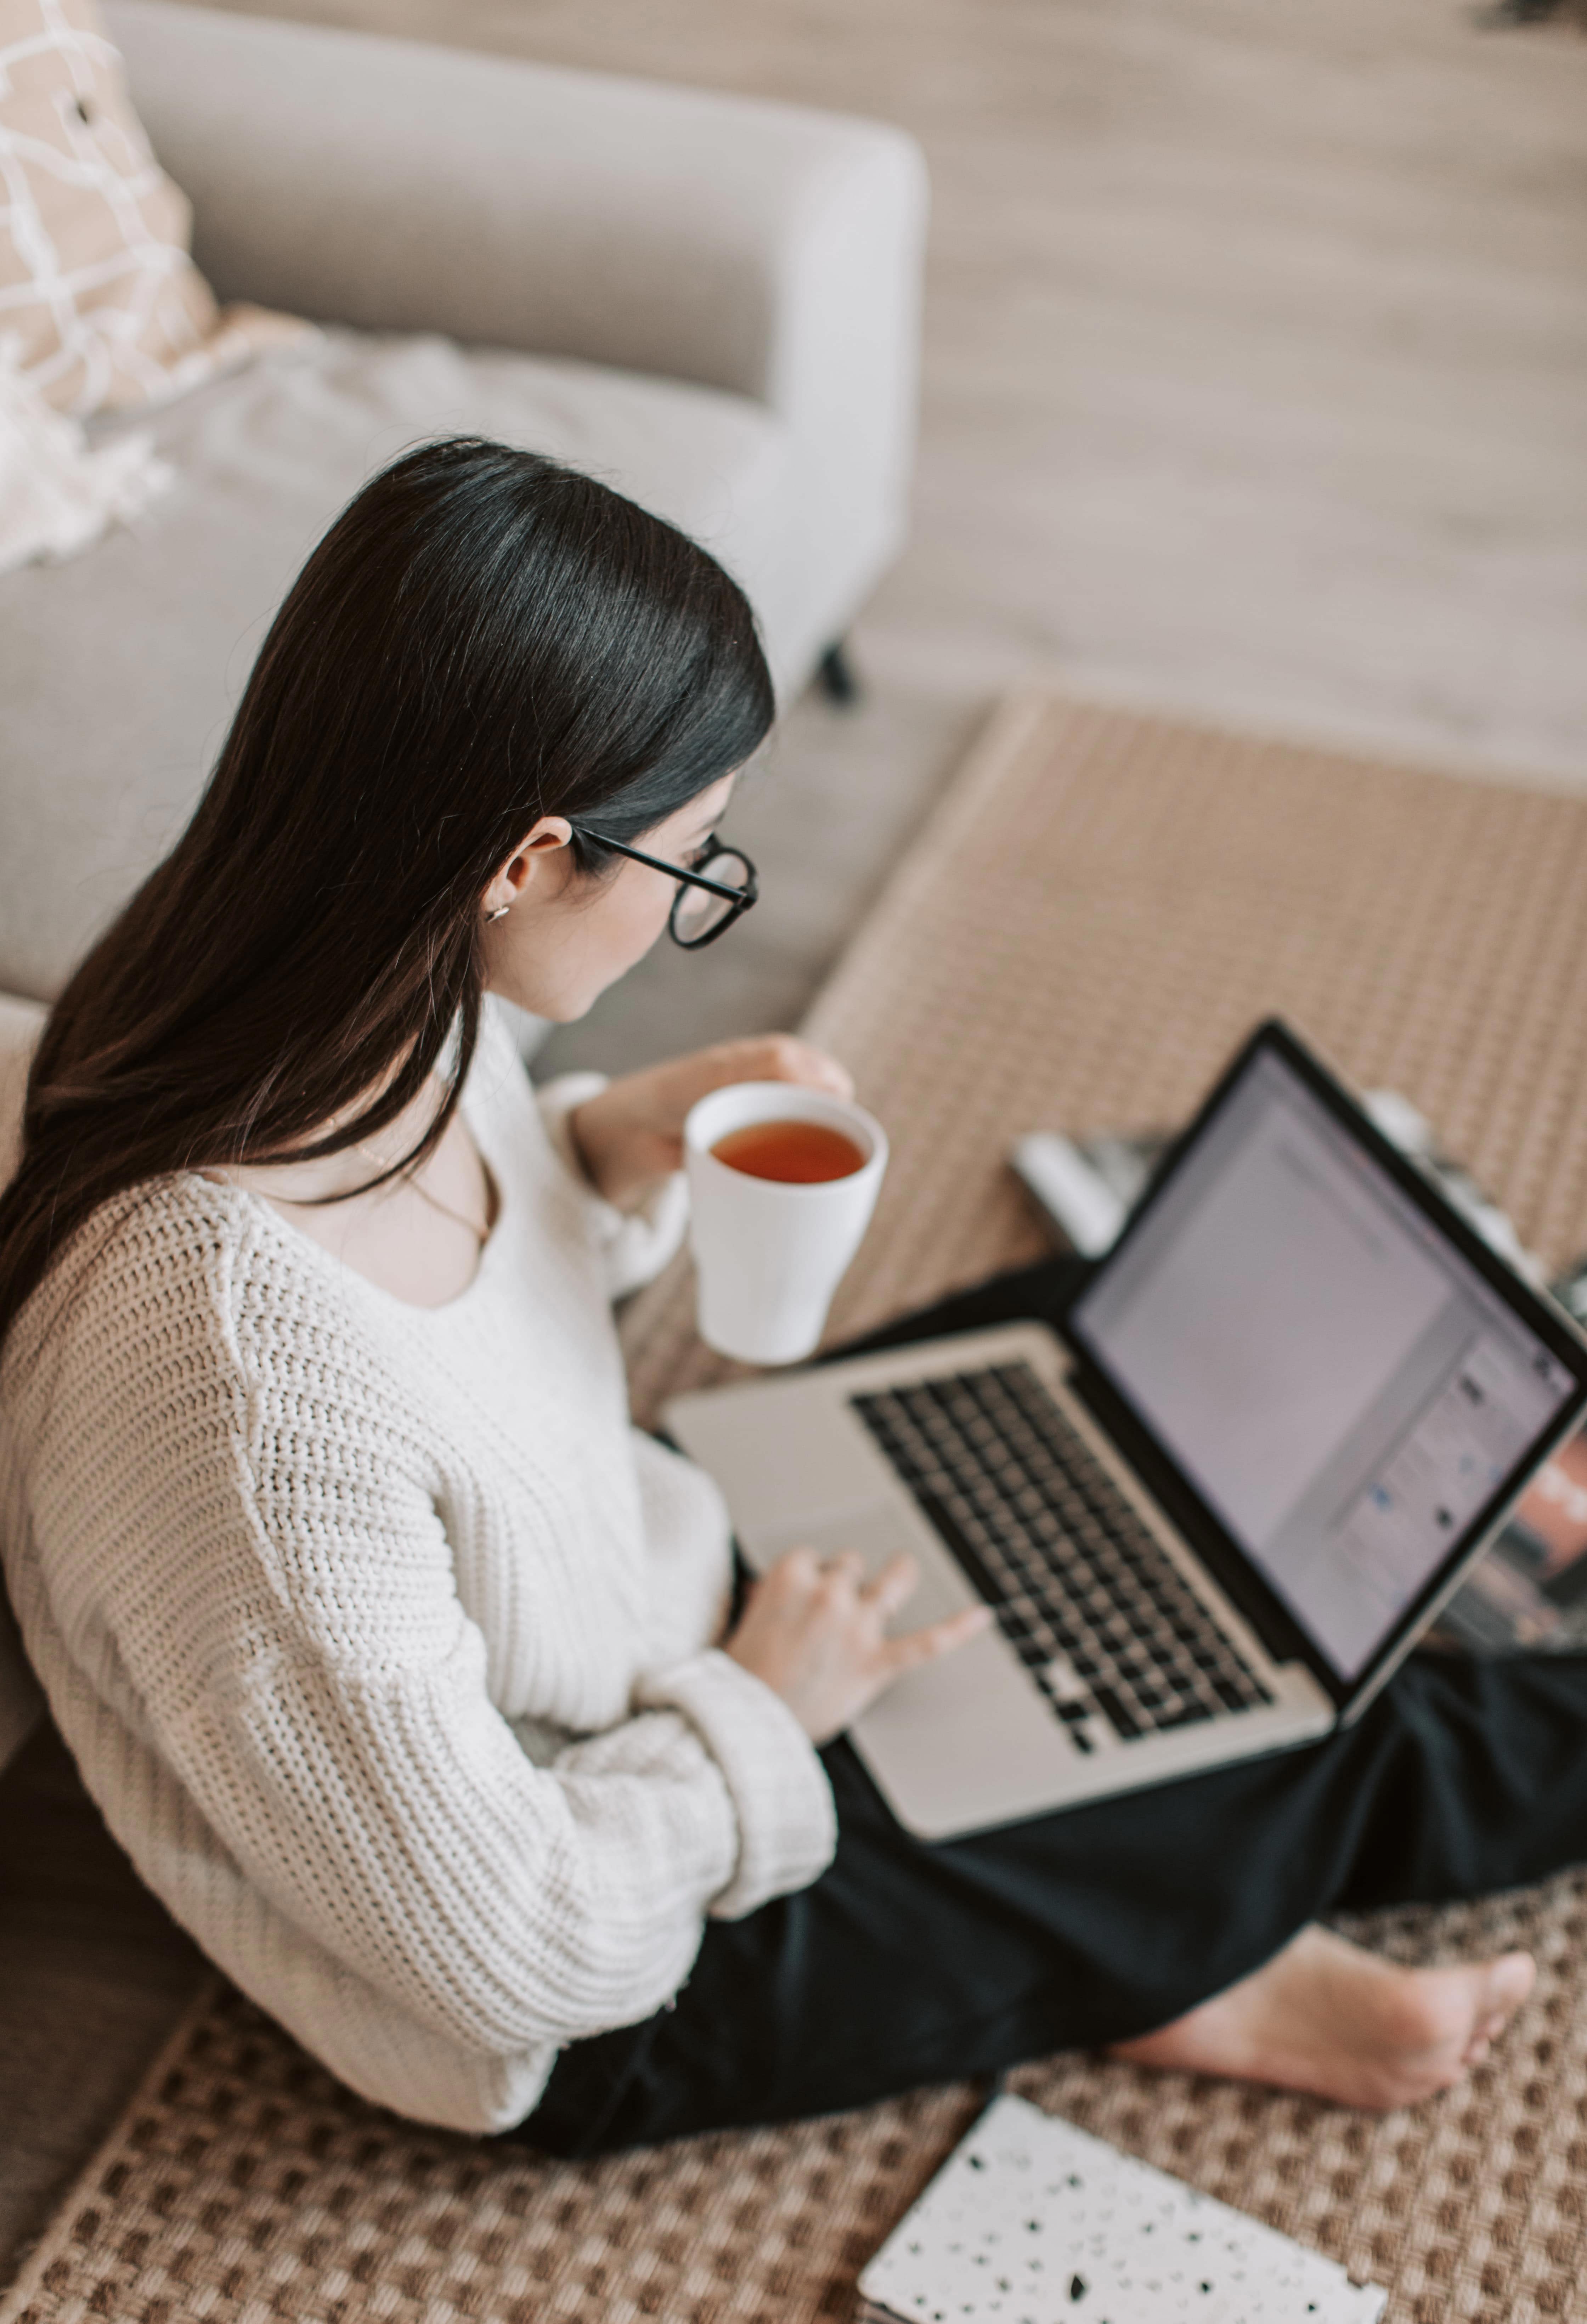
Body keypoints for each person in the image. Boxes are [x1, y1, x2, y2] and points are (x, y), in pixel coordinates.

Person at [0, 438, 1576, 2158]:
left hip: (643, 1587)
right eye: (692, 866)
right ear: (524, 861)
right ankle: (1164, 1952)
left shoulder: (323, 993)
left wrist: (604, 1152)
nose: (689, 909)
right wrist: (765, 1704)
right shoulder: (233, 1396)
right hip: (595, 1953)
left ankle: (1136, 1944)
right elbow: (517, 1946)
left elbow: (443, 1329)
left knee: (1078, 1356)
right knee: (1305, 1715)